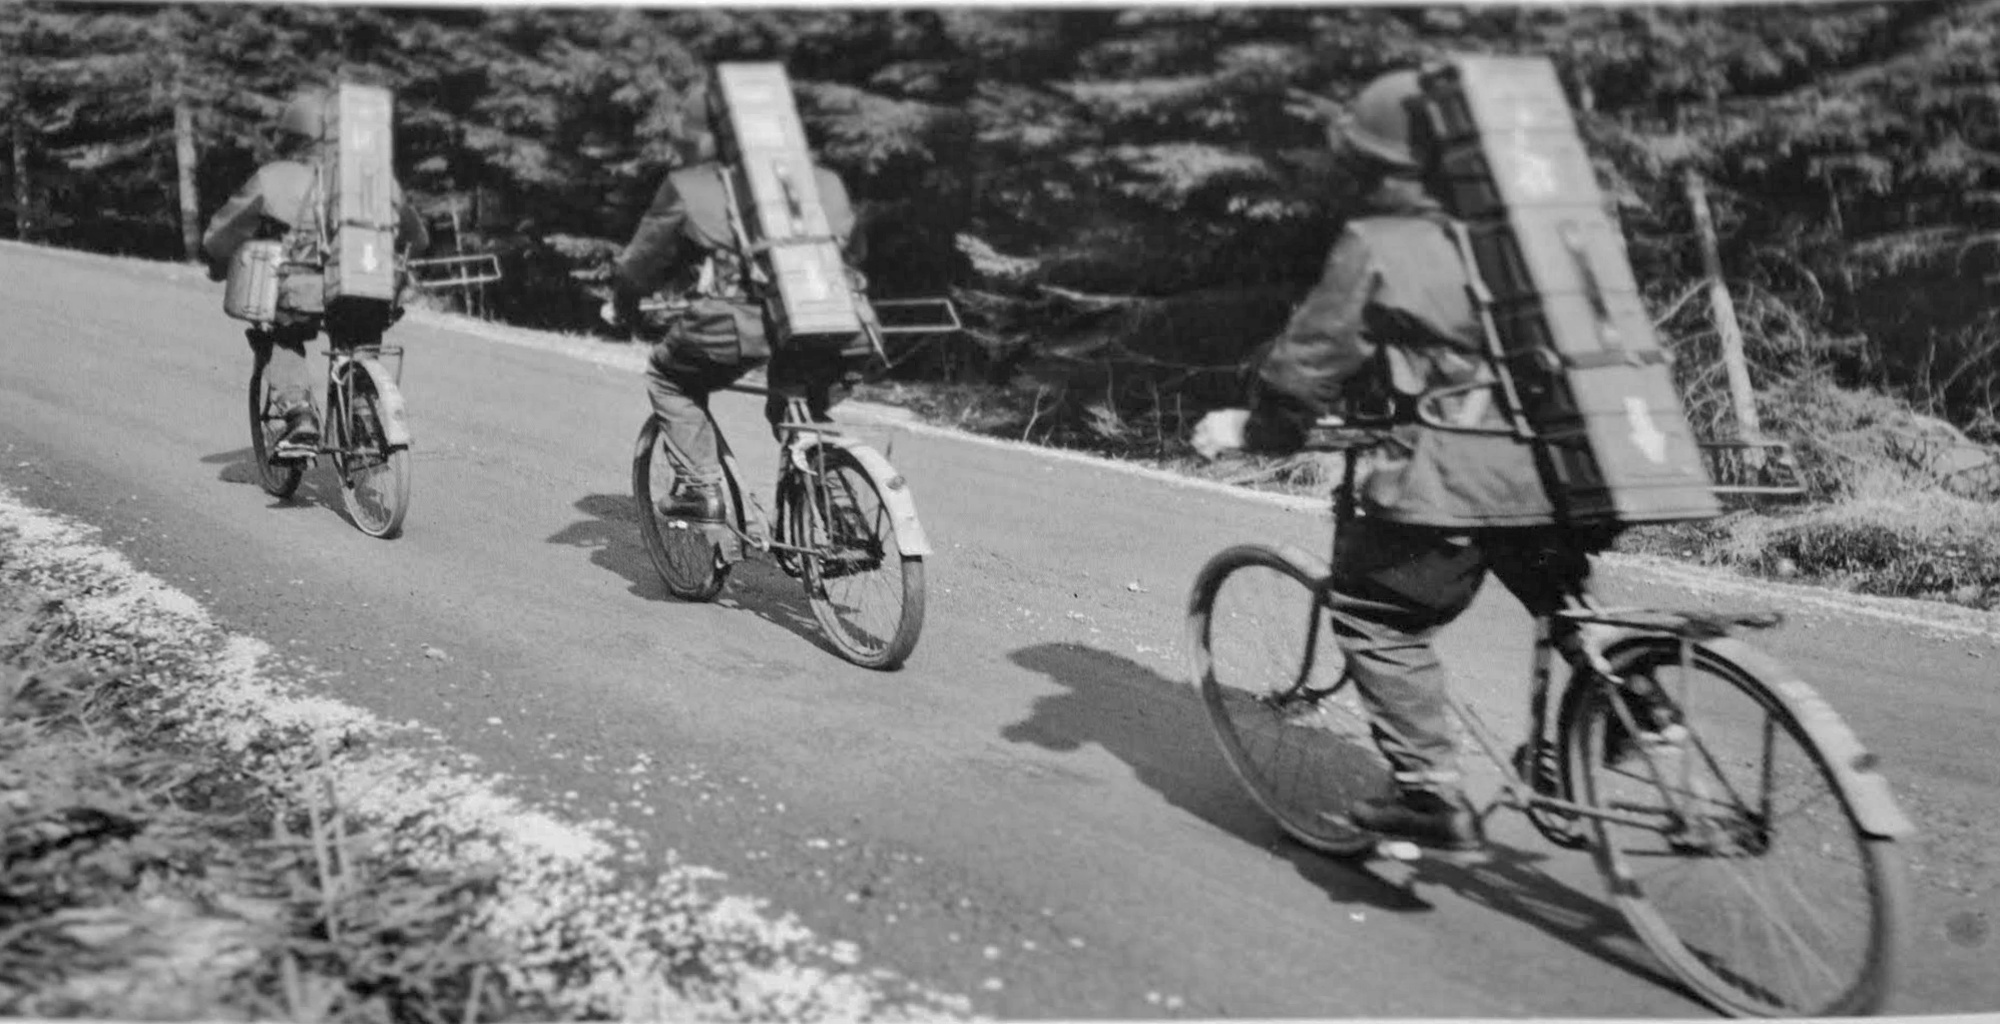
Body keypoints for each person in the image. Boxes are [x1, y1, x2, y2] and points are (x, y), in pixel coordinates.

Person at [1191, 69, 1638, 852]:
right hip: (1573, 472)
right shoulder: (1546, 230)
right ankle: (1643, 702)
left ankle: (1429, 792)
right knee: (1558, 594)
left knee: (1376, 614)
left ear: (1386, 166)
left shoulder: (1387, 244)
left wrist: (1258, 429)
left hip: (1452, 477)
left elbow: (1309, 360)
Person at [609, 81, 866, 523]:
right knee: (797, 403)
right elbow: (852, 250)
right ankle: (838, 505)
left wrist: (626, 307)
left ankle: (700, 488)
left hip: (742, 323)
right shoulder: (823, 181)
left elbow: (641, 263)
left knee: (668, 377)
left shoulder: (694, 185)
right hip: (842, 322)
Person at [202, 88, 430, 457]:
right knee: (358, 343)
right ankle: (363, 416)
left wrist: (215, 259)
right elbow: (417, 238)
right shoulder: (374, 179)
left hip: (305, 292)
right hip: (370, 289)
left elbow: (225, 231)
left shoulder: (275, 176)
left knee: (285, 333)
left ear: (294, 133)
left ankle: (299, 415)